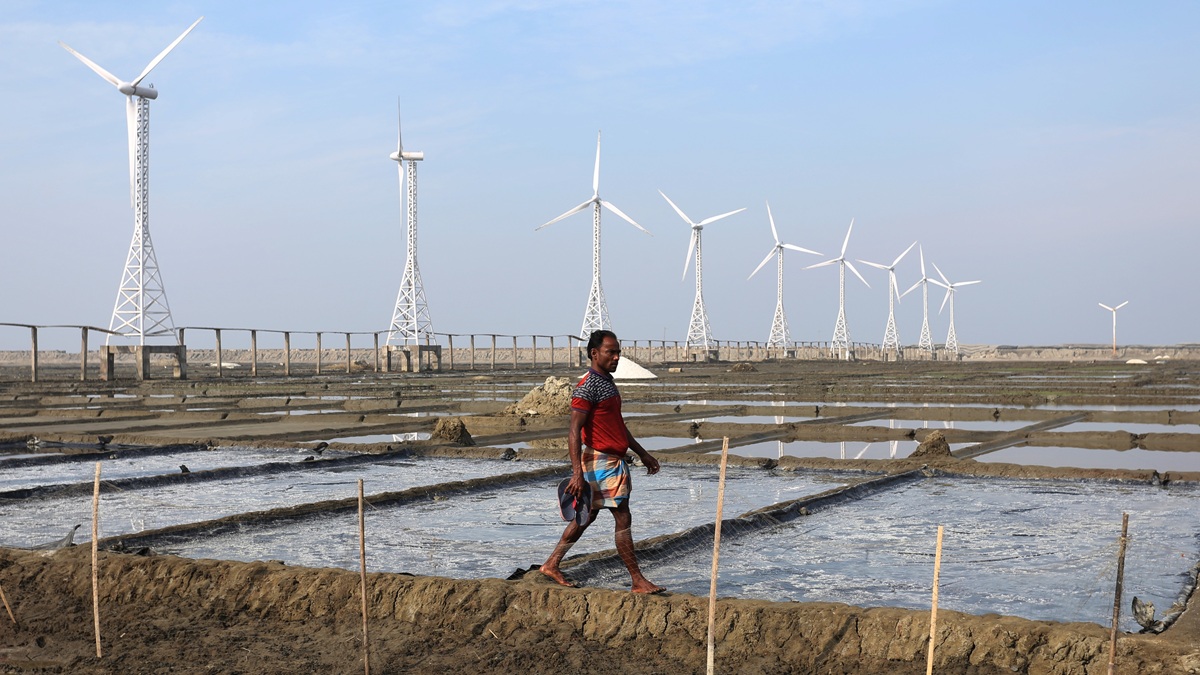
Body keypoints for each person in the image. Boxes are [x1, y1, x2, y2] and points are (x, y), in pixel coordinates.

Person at [539, 330, 665, 594]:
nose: (617, 357)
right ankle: (637, 580)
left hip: (612, 459)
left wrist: (642, 453)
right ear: (595, 353)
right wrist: (576, 473)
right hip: (600, 460)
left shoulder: (607, 382)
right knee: (622, 516)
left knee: (588, 516)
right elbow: (574, 430)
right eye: (611, 352)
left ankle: (551, 564)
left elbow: (617, 425)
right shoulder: (588, 386)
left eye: (618, 352)